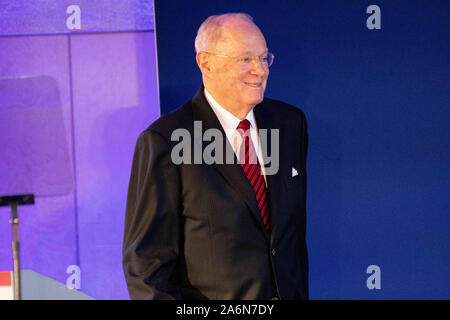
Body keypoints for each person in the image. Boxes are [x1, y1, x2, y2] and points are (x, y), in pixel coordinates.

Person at [122, 13, 308, 300]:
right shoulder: (166, 140)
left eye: (263, 57)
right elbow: (146, 267)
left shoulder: (289, 124)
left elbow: (288, 241)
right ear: (205, 63)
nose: (260, 70)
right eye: (245, 59)